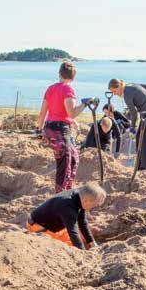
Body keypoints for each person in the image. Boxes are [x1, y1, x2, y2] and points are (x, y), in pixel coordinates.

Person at [37, 60, 93, 192]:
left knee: (74, 159)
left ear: (59, 74)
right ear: (73, 77)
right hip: (60, 131)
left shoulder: (51, 88)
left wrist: (39, 130)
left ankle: (67, 191)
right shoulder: (68, 89)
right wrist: (85, 103)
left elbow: (43, 112)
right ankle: (60, 197)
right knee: (65, 164)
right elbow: (72, 112)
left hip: (50, 129)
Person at [26, 182, 106, 249]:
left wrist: (92, 242)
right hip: (40, 228)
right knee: (67, 250)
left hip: (57, 226)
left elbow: (82, 222)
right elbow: (73, 232)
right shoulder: (67, 206)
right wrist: (82, 253)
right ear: (86, 201)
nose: (94, 207)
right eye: (95, 205)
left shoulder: (80, 195)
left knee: (78, 242)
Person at [107, 79, 146, 169]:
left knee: (144, 139)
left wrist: (132, 127)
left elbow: (134, 113)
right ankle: (140, 165)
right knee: (139, 137)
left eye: (114, 91)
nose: (115, 94)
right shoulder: (130, 85)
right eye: (112, 92)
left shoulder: (127, 95)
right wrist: (143, 99)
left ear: (119, 86)